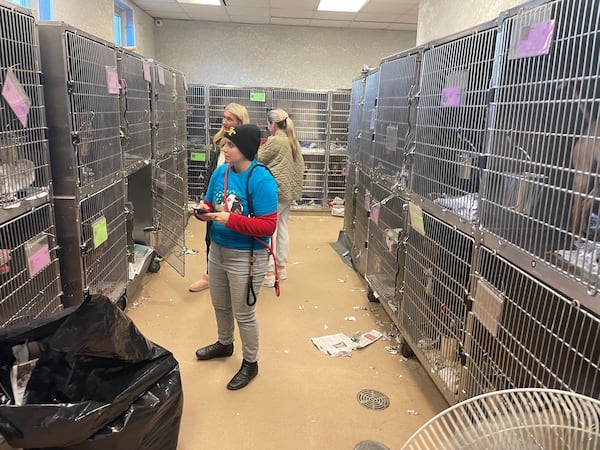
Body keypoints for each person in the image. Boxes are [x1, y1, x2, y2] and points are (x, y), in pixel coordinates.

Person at [193, 124, 278, 390]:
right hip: (217, 250)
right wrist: (203, 210)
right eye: (224, 145)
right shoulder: (221, 173)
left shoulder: (261, 178)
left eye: (230, 145)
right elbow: (209, 201)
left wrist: (231, 220)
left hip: (247, 255)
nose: (225, 149)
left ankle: (250, 362)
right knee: (220, 304)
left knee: (244, 313)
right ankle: (224, 343)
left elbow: (268, 226)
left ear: (246, 149)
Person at [189, 103, 250, 292]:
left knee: (233, 238)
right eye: (223, 118)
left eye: (229, 119)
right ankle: (210, 275)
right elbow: (213, 171)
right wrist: (205, 199)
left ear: (239, 122)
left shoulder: (246, 148)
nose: (224, 122)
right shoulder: (219, 142)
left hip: (234, 202)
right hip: (215, 198)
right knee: (211, 238)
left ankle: (236, 277)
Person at [257, 109, 304, 287]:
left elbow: (258, 158)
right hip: (289, 193)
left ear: (273, 124)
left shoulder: (276, 140)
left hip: (276, 192)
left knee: (269, 230)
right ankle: (281, 268)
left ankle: (269, 273)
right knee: (282, 228)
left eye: (268, 124)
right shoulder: (293, 141)